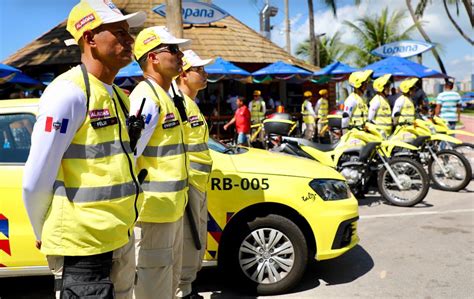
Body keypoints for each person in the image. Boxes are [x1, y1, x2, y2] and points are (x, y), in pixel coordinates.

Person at [22, 1, 146, 298]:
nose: (130, 40)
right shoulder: (69, 93)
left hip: (118, 235)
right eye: (119, 32)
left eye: (129, 32)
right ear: (90, 38)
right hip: (83, 248)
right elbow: (36, 176)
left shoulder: (117, 95)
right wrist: (43, 231)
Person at [130, 26, 189, 299]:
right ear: (153, 57)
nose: (180, 55)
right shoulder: (146, 98)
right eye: (173, 50)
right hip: (152, 214)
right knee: (152, 292)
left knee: (167, 286)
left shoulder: (165, 95)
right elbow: (129, 156)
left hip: (170, 212)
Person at [175, 50, 213, 299]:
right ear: (183, 74)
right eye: (198, 70)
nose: (204, 73)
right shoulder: (178, 104)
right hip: (187, 186)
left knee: (196, 243)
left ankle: (186, 289)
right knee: (187, 244)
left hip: (197, 184)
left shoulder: (190, 104)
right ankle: (182, 292)